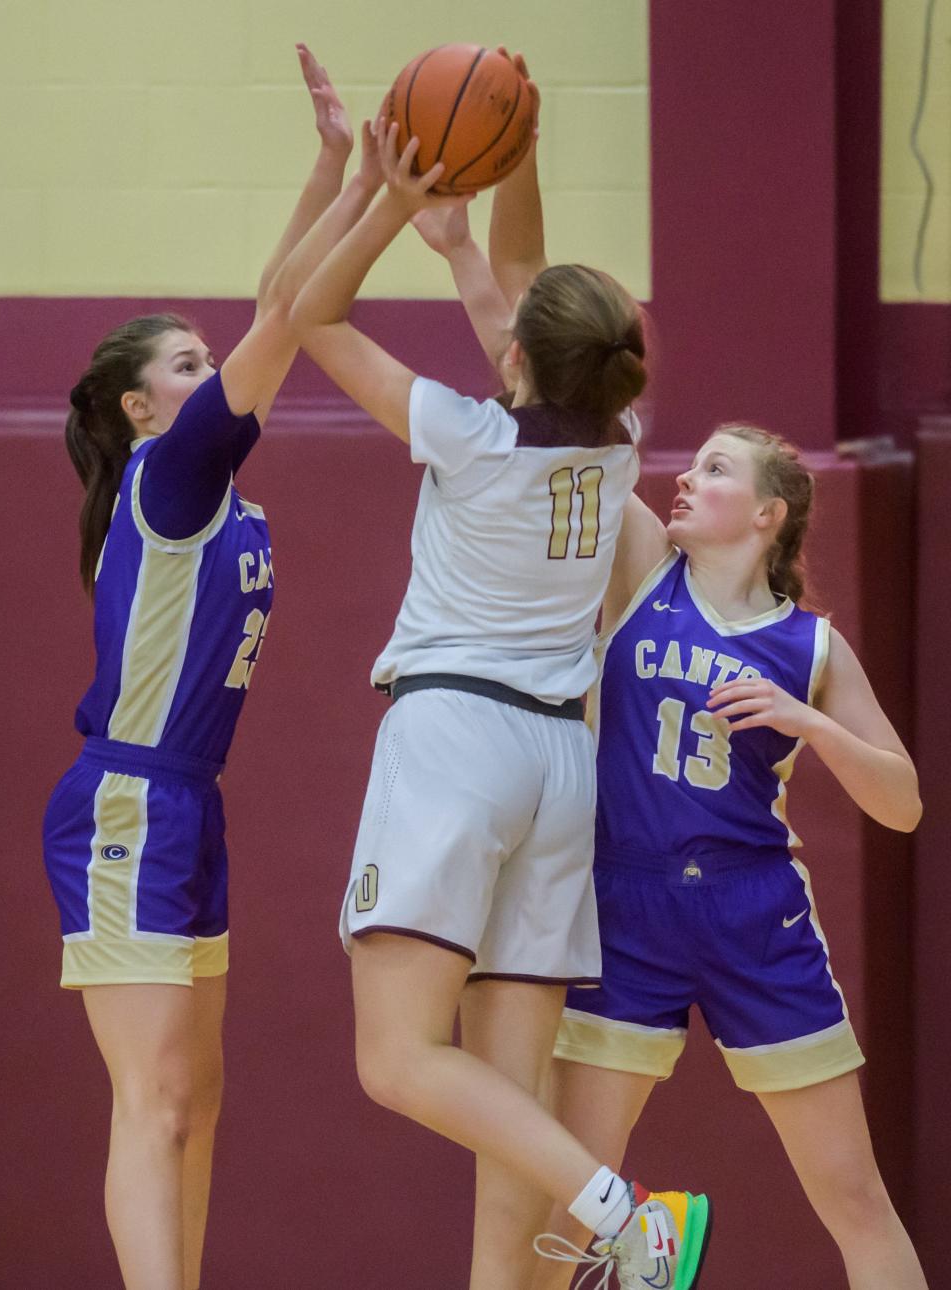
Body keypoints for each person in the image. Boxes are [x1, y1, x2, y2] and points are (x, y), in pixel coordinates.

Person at [288, 114, 711, 1290]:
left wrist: (383, 192)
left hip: (456, 742)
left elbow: (311, 318)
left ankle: (623, 1220)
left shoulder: (471, 438)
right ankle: (599, 1224)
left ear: (515, 365)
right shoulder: (616, 444)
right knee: (505, 1108)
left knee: (399, 1061)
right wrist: (487, 209)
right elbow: (529, 311)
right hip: (557, 765)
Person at [42, 49, 383, 1290]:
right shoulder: (174, 477)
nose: (207, 371)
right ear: (142, 412)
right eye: (182, 366)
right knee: (155, 1101)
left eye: (201, 361)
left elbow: (271, 306)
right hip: (128, 804)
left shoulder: (213, 491)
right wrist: (376, 198)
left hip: (189, 807)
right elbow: (284, 317)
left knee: (203, 1103)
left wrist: (336, 165)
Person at [528, 425, 928, 1290]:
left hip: (758, 916)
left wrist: (810, 722)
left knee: (855, 1199)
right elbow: (578, 436)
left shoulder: (813, 648)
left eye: (715, 470)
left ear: (767, 513)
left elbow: (904, 804)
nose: (686, 479)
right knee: (562, 1207)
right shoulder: (642, 568)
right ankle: (644, 1235)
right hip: (628, 905)